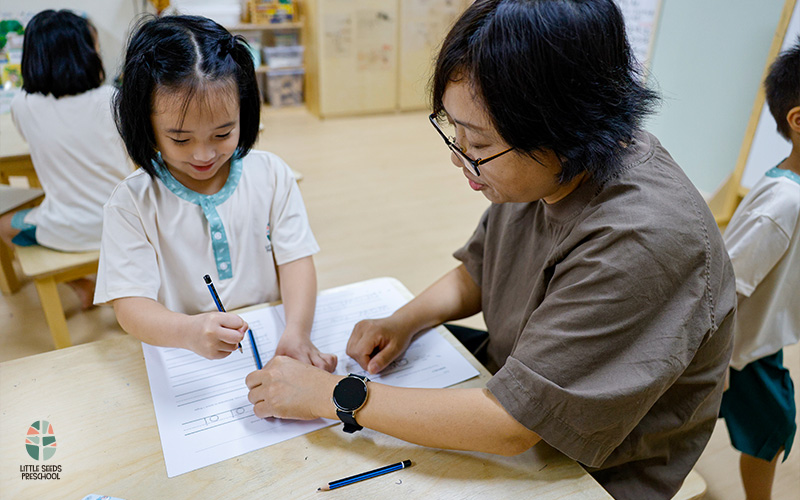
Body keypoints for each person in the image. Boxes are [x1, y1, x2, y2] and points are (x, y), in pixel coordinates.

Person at [244, 1, 736, 499]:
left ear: (562, 127)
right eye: (454, 129)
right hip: (515, 381)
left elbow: (510, 425)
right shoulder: (544, 169)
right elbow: (480, 268)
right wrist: (404, 321)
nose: (460, 156)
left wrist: (331, 396)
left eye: (476, 144)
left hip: (595, 467)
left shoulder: (642, 238)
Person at [93, 15, 336, 370]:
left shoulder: (270, 175)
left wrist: (297, 333)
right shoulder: (132, 203)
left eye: (222, 134)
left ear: (246, 111)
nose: (204, 155)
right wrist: (189, 331)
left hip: (269, 336)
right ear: (146, 124)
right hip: (182, 351)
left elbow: (296, 259)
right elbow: (130, 306)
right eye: (180, 139)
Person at [0, 10, 131, 309]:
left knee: (4, 225)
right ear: (87, 54)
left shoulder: (22, 105)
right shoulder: (113, 99)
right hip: (125, 224)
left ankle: (81, 285)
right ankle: (113, 290)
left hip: (63, 231)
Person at [719, 38, 800, 500]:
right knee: (774, 426)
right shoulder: (783, 204)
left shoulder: (790, 188)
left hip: (754, 342)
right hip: (741, 351)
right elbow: (728, 284)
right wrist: (716, 364)